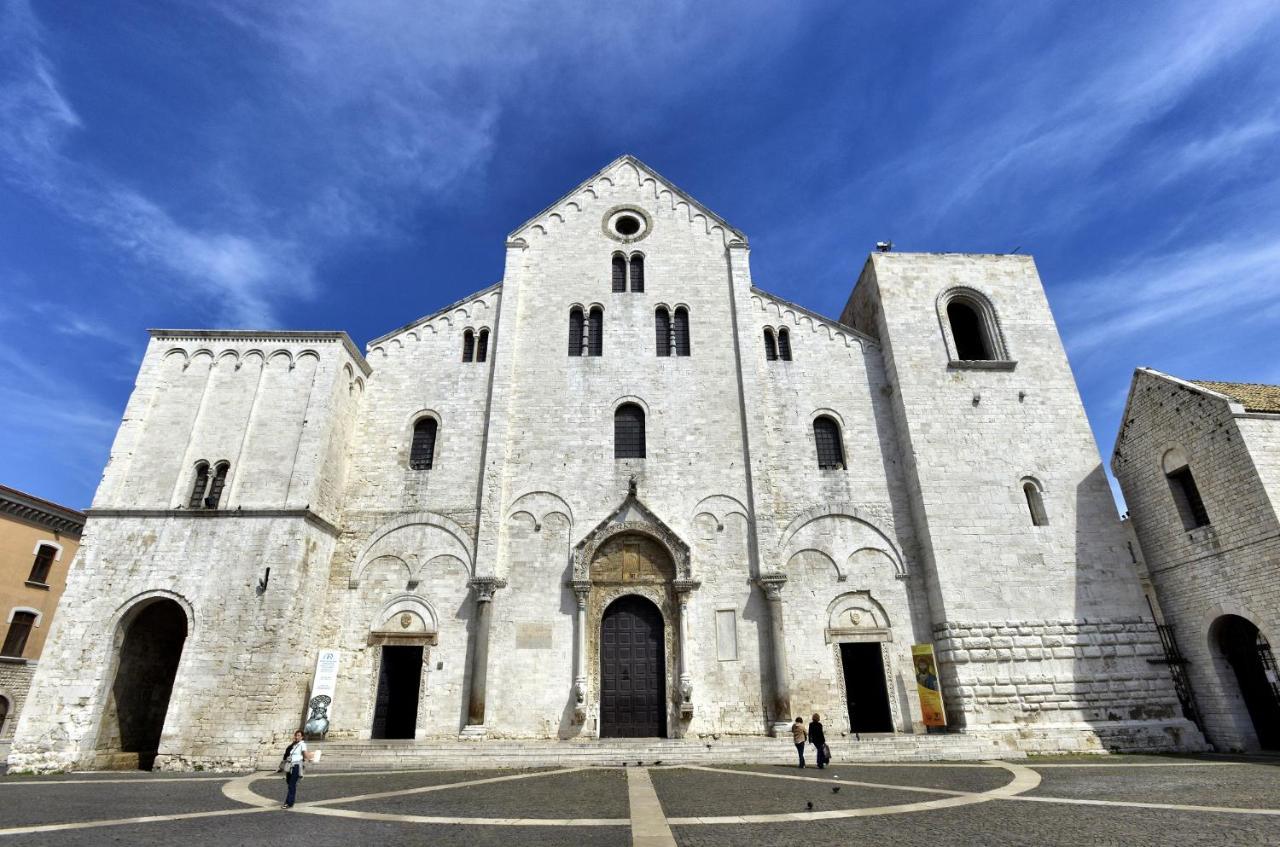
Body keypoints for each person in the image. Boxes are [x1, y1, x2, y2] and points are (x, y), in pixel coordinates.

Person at [281, 730, 308, 808]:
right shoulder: (294, 745)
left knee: (292, 785)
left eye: (299, 735)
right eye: (296, 735)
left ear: (302, 737)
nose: (297, 737)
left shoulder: (303, 744)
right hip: (290, 766)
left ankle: (288, 803)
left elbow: (305, 754)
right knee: (289, 783)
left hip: (296, 766)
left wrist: (309, 758)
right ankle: (291, 801)